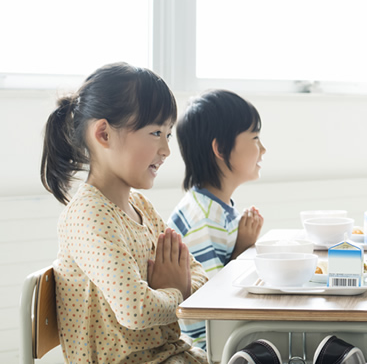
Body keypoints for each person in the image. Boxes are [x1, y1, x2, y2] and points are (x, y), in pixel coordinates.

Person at [41, 63, 208, 364]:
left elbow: (200, 276)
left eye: (168, 134)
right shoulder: (88, 215)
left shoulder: (140, 206)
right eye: (156, 132)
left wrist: (172, 290)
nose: (166, 149)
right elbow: (135, 309)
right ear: (104, 134)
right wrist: (176, 291)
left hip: (171, 356)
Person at [168, 89, 266, 348]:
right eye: (255, 138)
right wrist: (241, 249)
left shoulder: (214, 208)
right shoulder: (203, 220)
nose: (263, 149)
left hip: (224, 335)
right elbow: (211, 305)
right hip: (210, 345)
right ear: (221, 148)